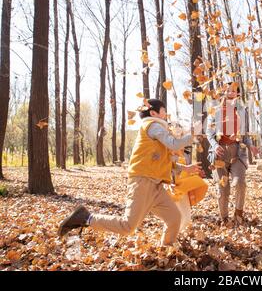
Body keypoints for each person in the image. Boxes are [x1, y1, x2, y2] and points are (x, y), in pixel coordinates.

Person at [58, 99, 202, 246]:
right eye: (164, 111)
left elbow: (165, 161)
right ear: (153, 113)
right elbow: (174, 143)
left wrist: (185, 168)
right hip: (142, 181)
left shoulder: (159, 130)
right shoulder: (152, 125)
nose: (166, 114)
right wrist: (193, 133)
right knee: (128, 226)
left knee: (174, 218)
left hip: (156, 186)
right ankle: (86, 218)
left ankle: (167, 248)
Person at [206, 82, 259, 224]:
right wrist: (215, 145)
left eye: (233, 91)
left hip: (238, 153)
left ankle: (238, 215)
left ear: (238, 94)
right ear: (223, 92)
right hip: (219, 153)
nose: (230, 93)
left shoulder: (242, 111)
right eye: (227, 90)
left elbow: (245, 134)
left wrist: (251, 146)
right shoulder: (215, 110)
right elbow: (209, 132)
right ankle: (224, 218)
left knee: (240, 183)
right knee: (223, 188)